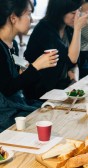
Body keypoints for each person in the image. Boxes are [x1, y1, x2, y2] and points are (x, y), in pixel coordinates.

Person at [0, 0, 58, 132]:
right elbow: (7, 89)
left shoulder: (12, 44)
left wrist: (28, 71)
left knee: (54, 111)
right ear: (13, 18)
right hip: (5, 113)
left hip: (15, 104)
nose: (31, 20)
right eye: (28, 14)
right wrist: (35, 67)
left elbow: (14, 84)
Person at [24, 0, 88, 99]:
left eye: (78, 11)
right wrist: (78, 29)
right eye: (73, 13)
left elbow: (74, 63)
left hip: (61, 87)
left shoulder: (67, 28)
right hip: (41, 92)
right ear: (60, 12)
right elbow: (71, 59)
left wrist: (74, 77)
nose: (77, 16)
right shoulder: (44, 29)